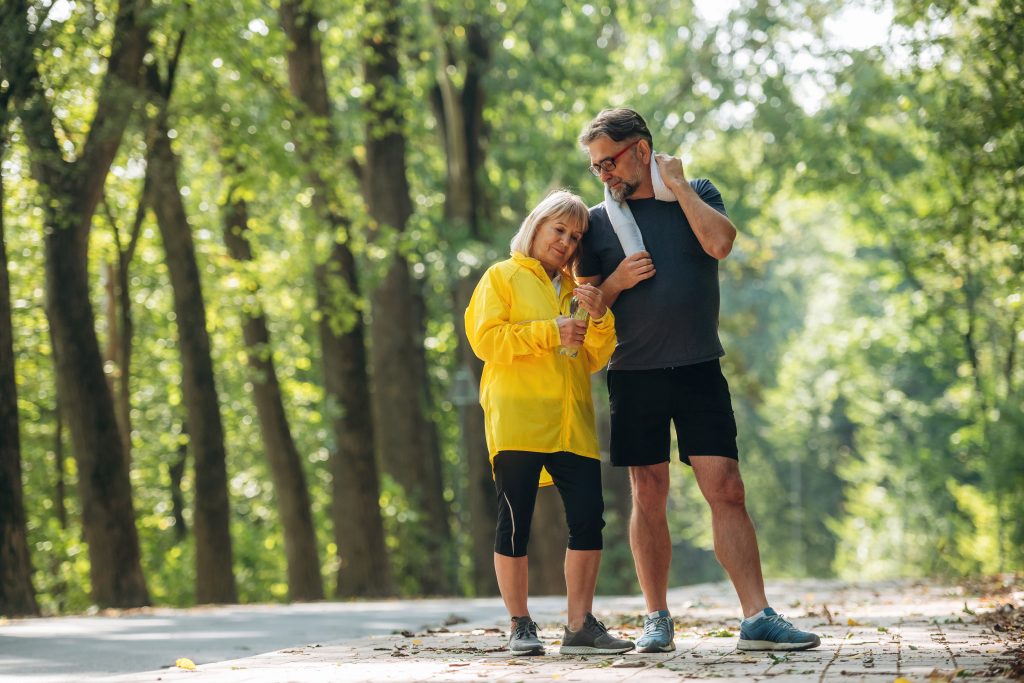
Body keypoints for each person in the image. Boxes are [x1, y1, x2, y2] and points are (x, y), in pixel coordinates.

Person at [576, 108, 821, 653]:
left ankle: (757, 617)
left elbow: (721, 244)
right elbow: (588, 309)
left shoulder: (698, 192)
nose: (604, 174)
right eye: (596, 167)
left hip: (698, 367)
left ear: (642, 150)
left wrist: (681, 186)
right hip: (633, 373)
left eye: (610, 161)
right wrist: (615, 282)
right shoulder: (596, 222)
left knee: (727, 487)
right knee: (648, 493)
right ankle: (657, 618)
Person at [465, 190, 634, 657]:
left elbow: (592, 358)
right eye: (559, 230)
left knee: (588, 519)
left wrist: (599, 317)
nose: (566, 242)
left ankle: (580, 626)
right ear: (536, 226)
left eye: (575, 236)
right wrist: (549, 331)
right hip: (518, 418)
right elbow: (485, 340)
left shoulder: (576, 290)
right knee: (514, 521)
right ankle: (520, 624)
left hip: (570, 422)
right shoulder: (501, 276)